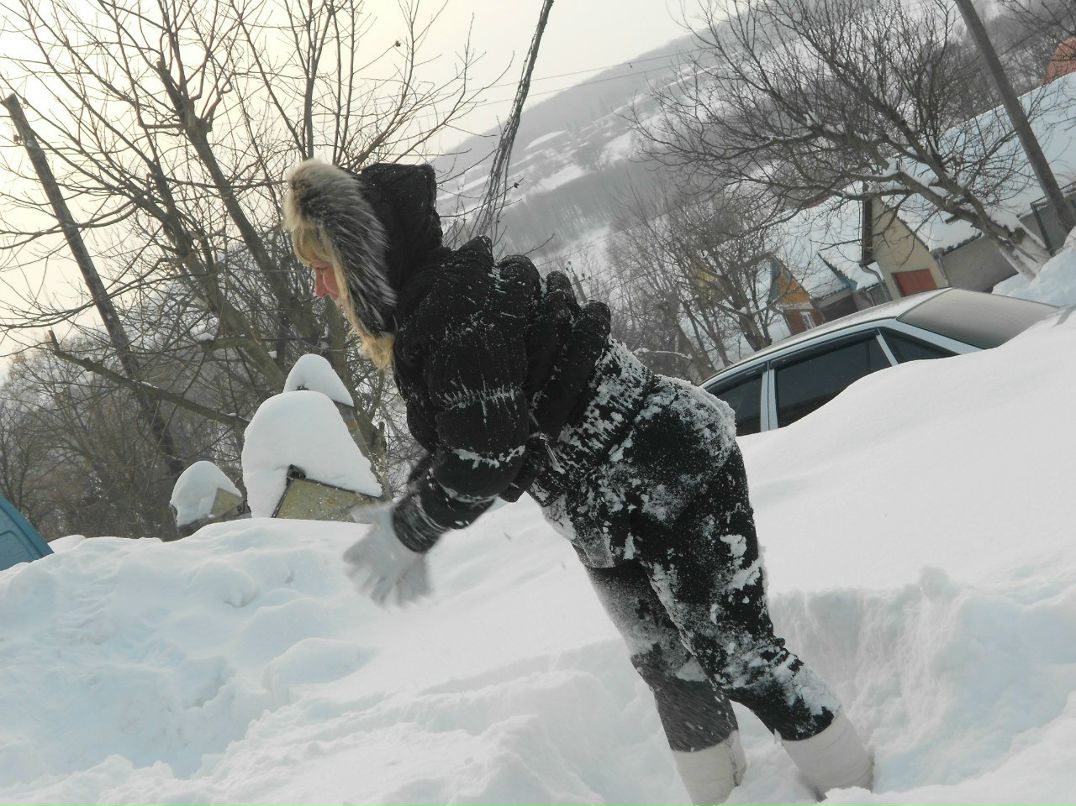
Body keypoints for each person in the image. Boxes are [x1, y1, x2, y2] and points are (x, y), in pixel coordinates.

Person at [282, 159, 873, 804]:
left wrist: (411, 527)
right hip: (598, 508)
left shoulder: (459, 313)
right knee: (665, 667)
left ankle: (862, 788)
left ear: (364, 260)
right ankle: (720, 795)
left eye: (323, 266)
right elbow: (467, 434)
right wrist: (414, 510)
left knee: (736, 652)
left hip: (669, 469)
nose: (318, 288)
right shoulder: (435, 314)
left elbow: (483, 455)